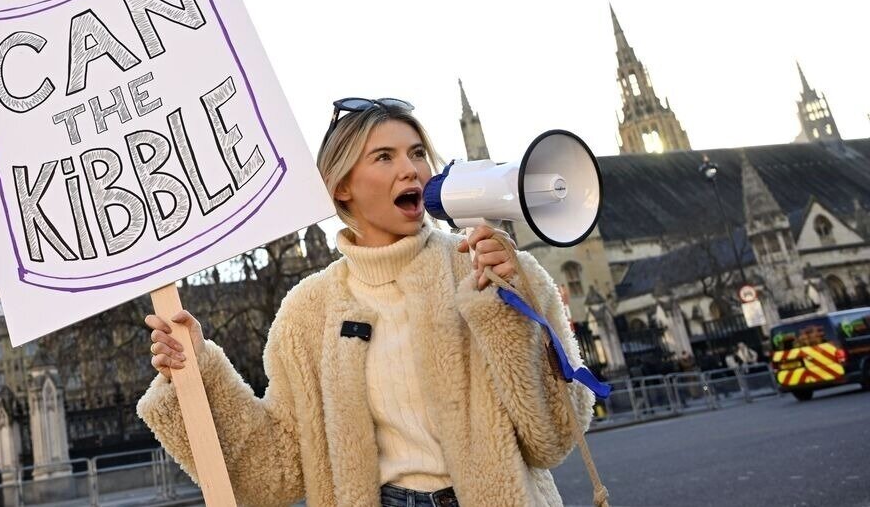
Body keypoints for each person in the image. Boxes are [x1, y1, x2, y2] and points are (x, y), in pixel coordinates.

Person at [137, 99, 595, 506]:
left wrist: (509, 303)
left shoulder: (491, 272)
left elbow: (553, 436)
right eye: (385, 156)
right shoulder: (308, 312)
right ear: (341, 186)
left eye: (418, 153)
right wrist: (196, 374)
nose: (411, 169)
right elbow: (273, 472)